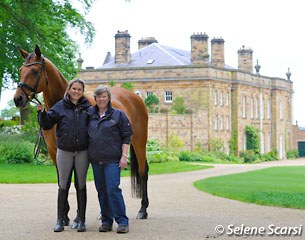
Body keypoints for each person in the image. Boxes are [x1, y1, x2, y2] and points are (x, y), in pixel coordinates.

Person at [37, 78, 91, 232]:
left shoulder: (88, 107)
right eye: (74, 88)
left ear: (82, 92)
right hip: (64, 152)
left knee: (81, 185)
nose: (76, 91)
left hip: (82, 152)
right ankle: (60, 220)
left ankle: (81, 219)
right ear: (69, 89)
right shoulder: (60, 106)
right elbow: (47, 124)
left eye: (79, 89)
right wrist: (42, 113)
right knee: (63, 185)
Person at [88, 85, 132, 234]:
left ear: (108, 98)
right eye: (99, 96)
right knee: (101, 191)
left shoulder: (119, 115)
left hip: (113, 160)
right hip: (96, 160)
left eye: (104, 96)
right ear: (95, 99)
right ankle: (106, 221)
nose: (101, 99)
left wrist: (124, 156)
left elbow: (126, 136)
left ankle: (122, 222)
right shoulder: (89, 115)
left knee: (113, 189)